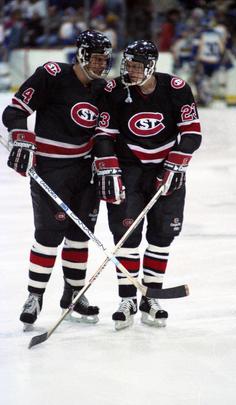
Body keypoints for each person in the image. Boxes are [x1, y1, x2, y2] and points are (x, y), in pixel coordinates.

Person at [2, 30, 112, 331]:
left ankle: (74, 295)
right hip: (50, 170)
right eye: (97, 58)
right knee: (49, 235)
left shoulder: (103, 89)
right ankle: (34, 296)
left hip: (85, 172)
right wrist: (22, 138)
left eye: (106, 59)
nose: (103, 64)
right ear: (81, 55)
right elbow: (14, 112)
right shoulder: (51, 75)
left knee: (79, 235)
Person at [93, 40, 202, 330]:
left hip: (167, 169)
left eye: (137, 66)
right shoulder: (114, 90)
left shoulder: (176, 88)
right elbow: (104, 134)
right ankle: (127, 298)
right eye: (128, 65)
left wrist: (176, 162)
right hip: (128, 170)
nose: (131, 70)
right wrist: (109, 167)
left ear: (152, 65)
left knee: (162, 235)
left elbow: (192, 133)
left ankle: (151, 296)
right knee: (126, 234)